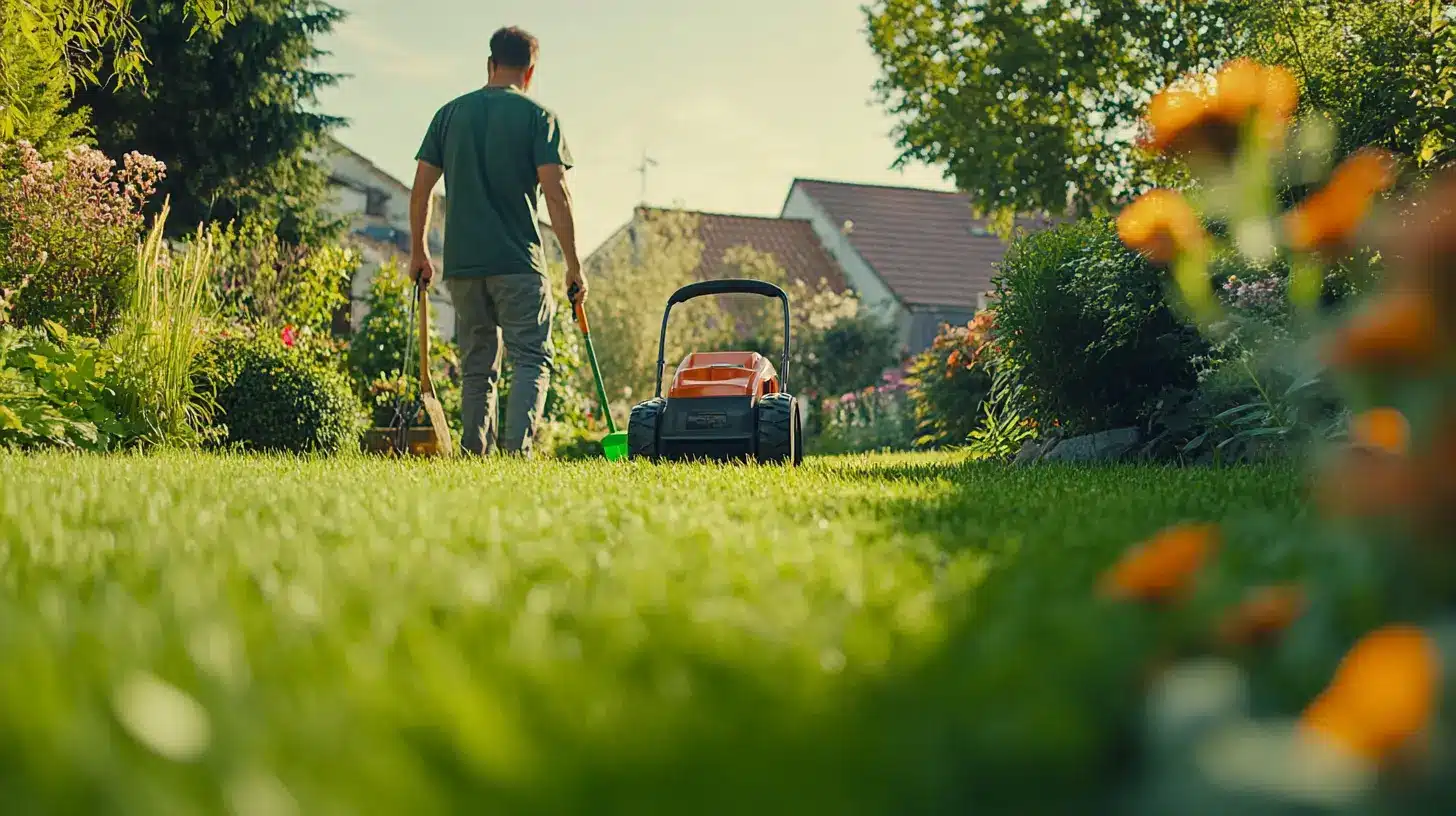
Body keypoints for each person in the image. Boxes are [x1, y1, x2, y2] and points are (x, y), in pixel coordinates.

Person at [408, 25, 585, 457]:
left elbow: (421, 189)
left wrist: (419, 250)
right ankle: (516, 455)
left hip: (465, 265)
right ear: (530, 73)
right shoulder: (538, 118)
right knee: (530, 358)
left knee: (477, 365)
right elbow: (557, 195)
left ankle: (474, 455)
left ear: (490, 64)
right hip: (518, 262)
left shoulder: (449, 114)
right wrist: (574, 265)